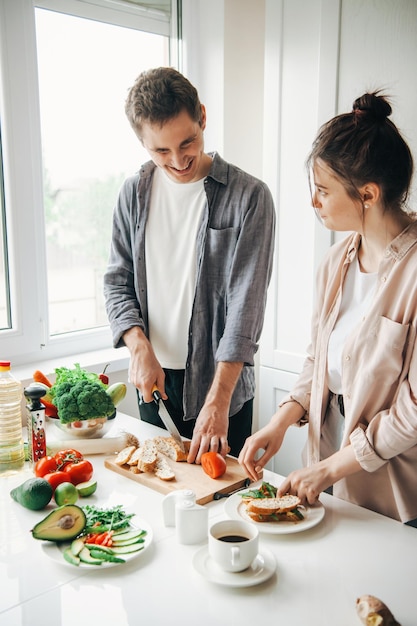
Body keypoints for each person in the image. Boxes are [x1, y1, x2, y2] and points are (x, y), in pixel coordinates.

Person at [239, 91, 417, 525]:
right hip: (327, 478)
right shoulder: (335, 262)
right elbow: (319, 359)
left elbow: (412, 415)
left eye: (322, 190)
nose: (313, 202)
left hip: (394, 497)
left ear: (369, 194)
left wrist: (329, 468)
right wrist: (281, 421)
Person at [104, 67, 275, 464]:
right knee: (158, 492)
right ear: (142, 142)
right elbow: (117, 281)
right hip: (154, 380)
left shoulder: (250, 197)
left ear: (202, 116)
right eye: (161, 151)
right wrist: (138, 347)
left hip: (220, 385)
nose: (179, 160)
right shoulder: (133, 193)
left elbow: (245, 310)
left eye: (188, 142)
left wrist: (218, 400)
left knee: (220, 503)